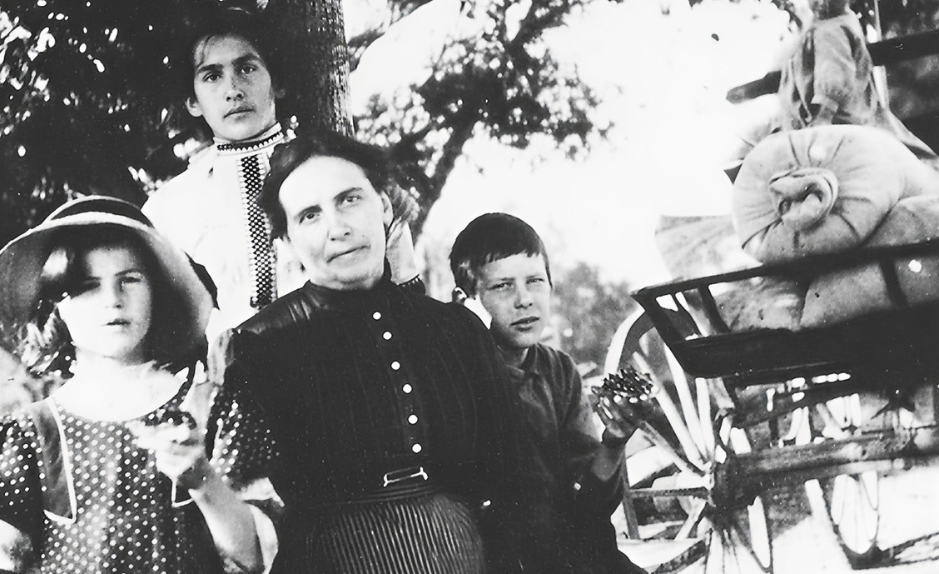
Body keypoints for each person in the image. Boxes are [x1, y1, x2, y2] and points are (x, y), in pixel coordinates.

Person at [216, 131, 544, 573]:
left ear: (385, 207)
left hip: (462, 551)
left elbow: (514, 476)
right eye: (310, 215)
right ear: (288, 243)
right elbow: (248, 502)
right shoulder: (259, 347)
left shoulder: (454, 329)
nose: (338, 227)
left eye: (350, 200)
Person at [0, 196, 278, 573]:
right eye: (87, 286)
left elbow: (255, 557)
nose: (113, 300)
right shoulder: (32, 431)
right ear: (56, 306)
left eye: (129, 280)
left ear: (157, 292)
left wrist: (203, 482)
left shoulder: (211, 405)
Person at [143, 4, 421, 341]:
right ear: (192, 101)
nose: (233, 89)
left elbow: (405, 285)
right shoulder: (168, 207)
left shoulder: (343, 173)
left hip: (350, 357)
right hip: (240, 373)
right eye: (212, 75)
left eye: (247, 68)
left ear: (279, 82)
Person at [449, 213, 649, 574]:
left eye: (535, 282)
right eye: (502, 286)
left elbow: (587, 506)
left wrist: (615, 441)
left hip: (575, 554)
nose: (524, 300)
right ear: (466, 301)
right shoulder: (455, 378)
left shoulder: (559, 371)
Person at [777, 0, 939, 167]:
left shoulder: (832, 30)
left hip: (838, 114)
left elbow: (835, 75)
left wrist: (823, 116)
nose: (821, 3)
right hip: (823, 110)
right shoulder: (825, 24)